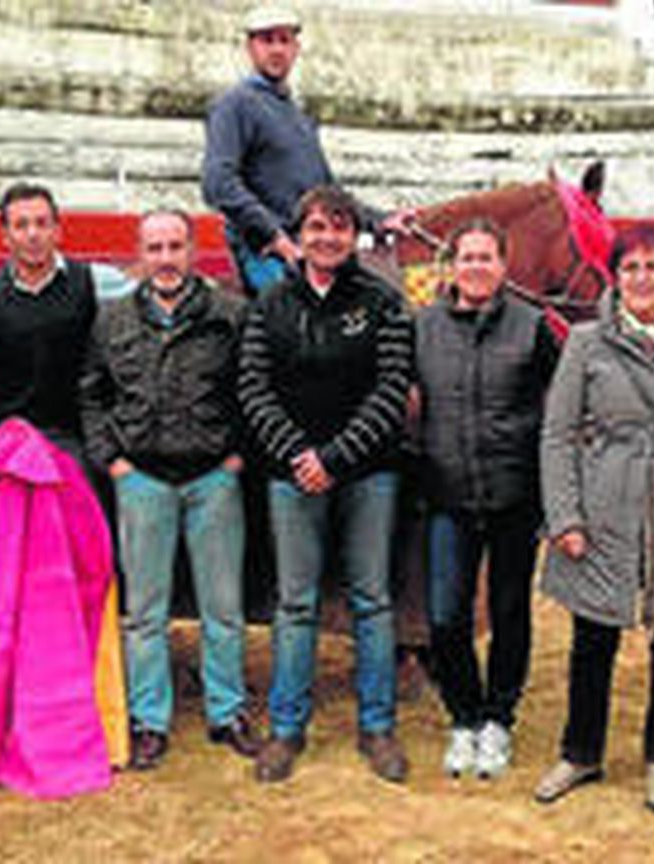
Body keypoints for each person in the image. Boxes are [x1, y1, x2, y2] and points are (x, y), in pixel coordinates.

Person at [532, 223, 654, 811]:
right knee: (592, 635)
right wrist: (564, 514)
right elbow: (558, 434)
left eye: (652, 267)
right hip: (603, 503)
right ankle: (580, 752)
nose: (641, 279)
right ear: (613, 278)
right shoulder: (586, 342)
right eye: (629, 268)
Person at [239, 185, 414, 784]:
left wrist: (334, 458)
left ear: (352, 236)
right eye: (316, 227)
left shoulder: (383, 302)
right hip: (291, 475)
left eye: (339, 227)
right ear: (300, 234)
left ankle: (378, 727)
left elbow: (391, 391)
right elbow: (253, 389)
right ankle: (286, 730)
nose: (327, 237)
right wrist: (297, 454)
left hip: (368, 473)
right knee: (295, 602)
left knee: (371, 598)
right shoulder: (270, 303)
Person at [81, 209, 261, 771]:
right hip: (143, 480)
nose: (165, 258)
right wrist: (112, 462)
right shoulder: (111, 321)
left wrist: (238, 458)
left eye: (175, 246)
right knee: (146, 611)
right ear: (140, 253)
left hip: (213, 478)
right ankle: (149, 719)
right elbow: (91, 393)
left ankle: (228, 710)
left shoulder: (230, 314)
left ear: (193, 251)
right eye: (154, 247)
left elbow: (253, 390)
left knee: (223, 607)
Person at [413, 219, 559, 780]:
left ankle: (499, 718)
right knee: (446, 616)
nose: (475, 267)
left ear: (503, 265)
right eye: (466, 257)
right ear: (451, 267)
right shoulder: (423, 327)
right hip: (447, 493)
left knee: (508, 612)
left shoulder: (531, 327)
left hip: (514, 494)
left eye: (486, 257)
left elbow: (559, 407)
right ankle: (464, 718)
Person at [202, 6, 408, 295]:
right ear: (250, 47)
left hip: (311, 248)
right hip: (267, 254)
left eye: (284, 40)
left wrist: (379, 220)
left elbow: (326, 191)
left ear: (296, 48)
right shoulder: (235, 104)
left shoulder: (297, 115)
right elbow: (218, 183)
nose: (277, 50)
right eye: (267, 40)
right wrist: (273, 236)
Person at [0, 183, 98, 459]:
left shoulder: (92, 282)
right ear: (5, 236)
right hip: (7, 435)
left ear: (57, 231)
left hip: (72, 436)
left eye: (42, 224)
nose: (33, 234)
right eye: (21, 225)